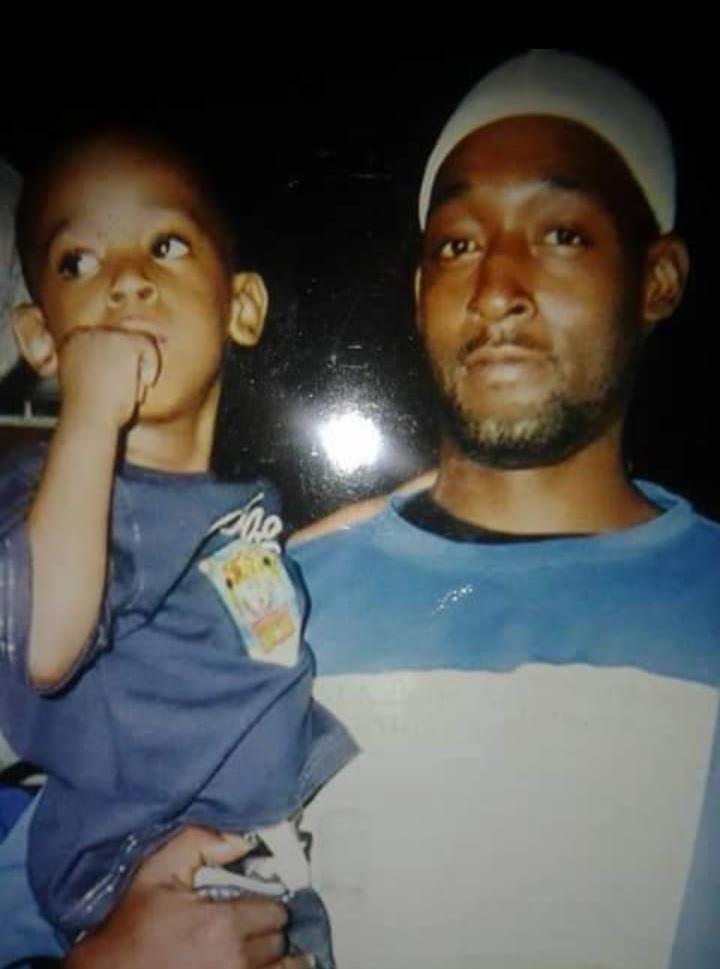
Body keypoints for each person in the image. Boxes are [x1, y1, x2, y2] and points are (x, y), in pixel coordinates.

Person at [2, 50, 719, 969]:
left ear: (657, 279)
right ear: (422, 293)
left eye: (561, 234)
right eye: (457, 245)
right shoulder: (262, 605)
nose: (497, 289)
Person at [0, 127, 356, 968]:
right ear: (42, 338)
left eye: (164, 245)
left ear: (241, 308)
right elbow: (42, 644)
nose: (126, 279)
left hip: (258, 861)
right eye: (78, 262)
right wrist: (90, 413)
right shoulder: (58, 502)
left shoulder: (234, 504)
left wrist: (412, 503)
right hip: (145, 867)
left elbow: (242, 582)